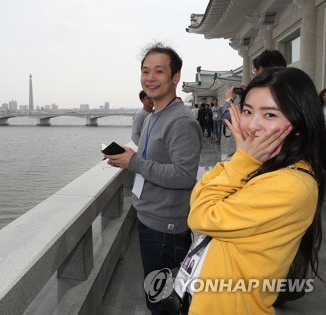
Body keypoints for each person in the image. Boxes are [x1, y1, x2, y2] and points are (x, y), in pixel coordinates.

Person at [188, 67, 326, 314]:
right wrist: (242, 160)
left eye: (270, 115)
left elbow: (200, 216)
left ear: (298, 124)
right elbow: (201, 195)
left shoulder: (290, 184)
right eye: (248, 111)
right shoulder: (268, 165)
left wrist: (242, 159)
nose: (252, 125)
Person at [104, 43, 202, 315]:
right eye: (145, 71)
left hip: (166, 227)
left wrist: (135, 162)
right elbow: (154, 158)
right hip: (150, 219)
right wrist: (128, 156)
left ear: (175, 77)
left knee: (161, 300)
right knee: (158, 293)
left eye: (159, 71)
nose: (150, 77)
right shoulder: (153, 114)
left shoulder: (181, 121)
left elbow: (184, 176)